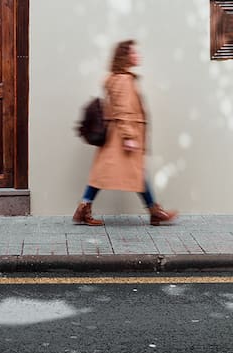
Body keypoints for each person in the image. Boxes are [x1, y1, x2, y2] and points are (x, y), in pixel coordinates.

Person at [73, 39, 177, 227]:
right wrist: (129, 136)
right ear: (125, 57)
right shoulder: (123, 80)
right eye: (134, 53)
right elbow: (123, 109)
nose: (138, 55)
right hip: (122, 136)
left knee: (113, 173)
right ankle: (155, 211)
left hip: (118, 134)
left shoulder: (119, 78)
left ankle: (85, 207)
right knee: (126, 174)